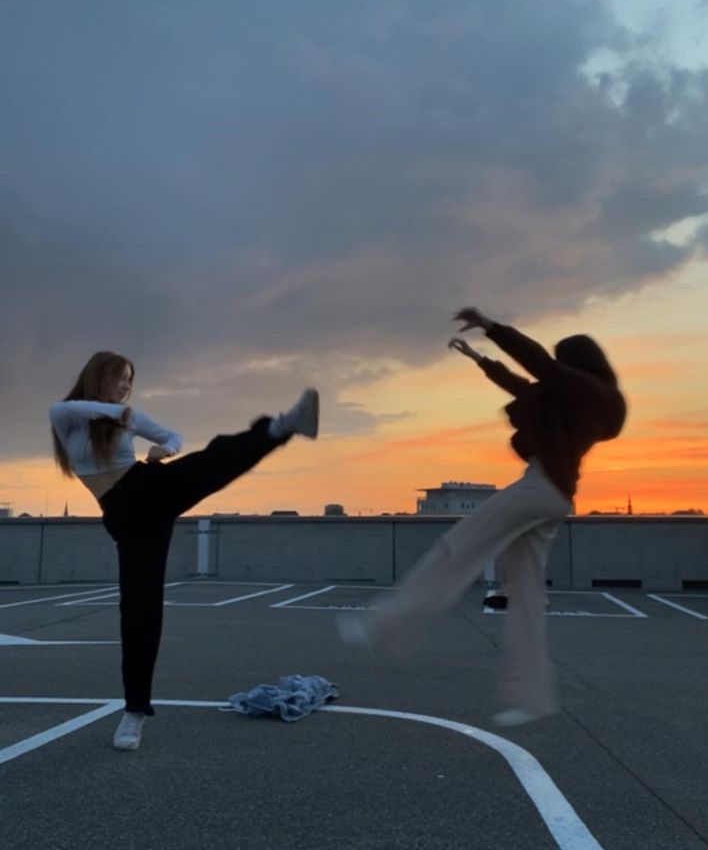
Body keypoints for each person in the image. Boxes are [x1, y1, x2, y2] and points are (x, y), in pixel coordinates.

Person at [340, 307, 626, 726]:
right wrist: (477, 358)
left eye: (561, 361)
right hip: (556, 495)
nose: (557, 367)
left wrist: (493, 328)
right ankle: (532, 698)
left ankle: (386, 625)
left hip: (540, 487)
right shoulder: (589, 400)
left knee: (458, 547)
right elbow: (524, 387)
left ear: (573, 362)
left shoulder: (581, 389)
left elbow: (537, 366)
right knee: (526, 599)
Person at [50, 351, 319, 751]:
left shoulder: (127, 417)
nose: (126, 387)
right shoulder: (67, 416)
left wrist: (166, 449)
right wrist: (117, 415)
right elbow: (69, 406)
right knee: (139, 613)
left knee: (212, 461)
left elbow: (172, 436)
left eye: (130, 381)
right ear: (98, 377)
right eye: (120, 378)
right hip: (125, 519)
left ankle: (282, 426)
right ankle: (134, 713)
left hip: (148, 489)